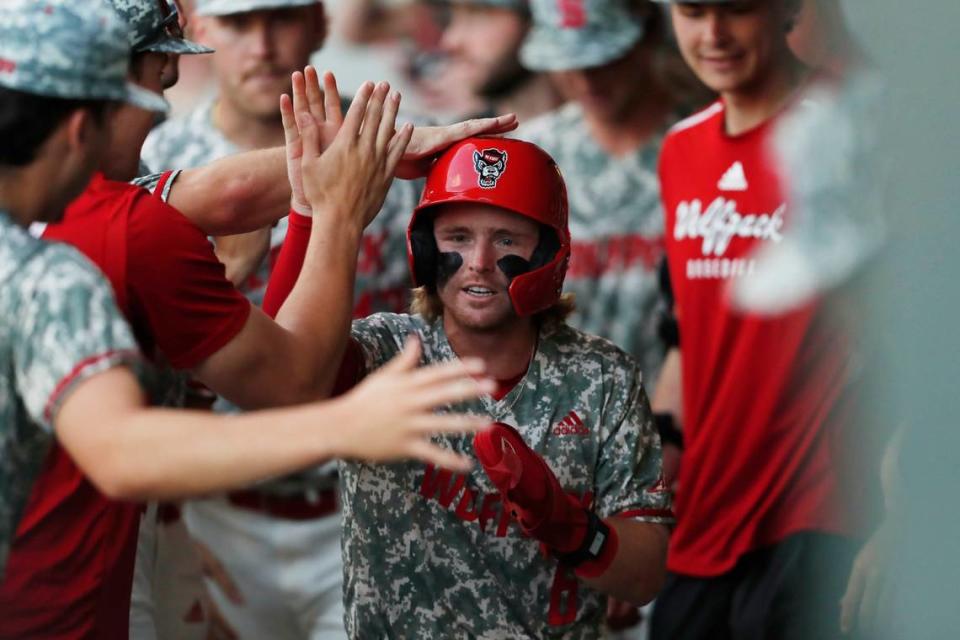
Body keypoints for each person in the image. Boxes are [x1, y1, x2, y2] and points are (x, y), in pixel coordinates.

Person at [0, 2, 498, 637]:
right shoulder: (71, 260)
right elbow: (126, 446)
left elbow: (210, 193)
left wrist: (352, 158)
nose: (153, 135)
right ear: (80, 128)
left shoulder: (79, 224)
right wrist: (334, 216)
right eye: (153, 101)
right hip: (64, 611)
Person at [265, 133, 674, 637]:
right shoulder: (387, 353)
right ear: (424, 247)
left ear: (547, 252)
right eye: (457, 237)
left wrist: (566, 526)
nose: (480, 261)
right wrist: (311, 212)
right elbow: (281, 370)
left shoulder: (602, 376)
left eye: (506, 239)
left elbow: (646, 574)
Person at [648, 1, 883, 638]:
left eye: (737, 10)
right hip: (704, 518)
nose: (713, 34)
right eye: (693, 11)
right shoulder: (679, 149)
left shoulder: (851, 132)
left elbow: (910, 341)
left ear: (787, 9)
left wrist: (898, 518)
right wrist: (645, 504)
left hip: (817, 515)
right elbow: (691, 342)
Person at [516, 0, 691, 384]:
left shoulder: (697, 148)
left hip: (670, 416)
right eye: (569, 62)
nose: (586, 79)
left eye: (605, 58)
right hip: (554, 414)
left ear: (647, 36)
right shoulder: (531, 154)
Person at [437, 0, 562, 122]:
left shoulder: (579, 132)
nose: (451, 41)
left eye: (479, 14)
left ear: (536, 17)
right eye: (451, 16)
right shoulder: (461, 139)